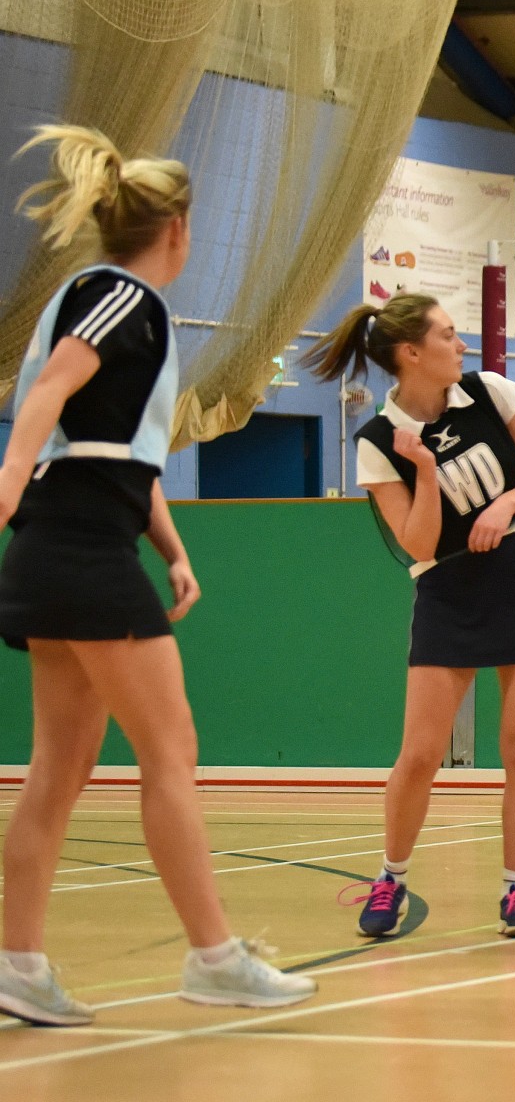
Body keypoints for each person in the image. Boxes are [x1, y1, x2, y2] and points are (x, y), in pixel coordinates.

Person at [0, 125, 315, 1025]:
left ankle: (18, 965)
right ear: (176, 228)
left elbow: (119, 457)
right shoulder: (119, 295)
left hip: (72, 539)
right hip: (78, 548)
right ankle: (215, 959)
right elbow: (48, 392)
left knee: (60, 766)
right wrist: (8, 477)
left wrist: (172, 548)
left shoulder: (120, 308)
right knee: (170, 751)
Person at [304, 293, 515, 941]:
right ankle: (391, 877)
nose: (461, 346)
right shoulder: (379, 442)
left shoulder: (489, 392)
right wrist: (426, 472)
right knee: (421, 753)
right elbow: (419, 544)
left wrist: (504, 505)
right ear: (412, 352)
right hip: (448, 590)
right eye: (448, 335)